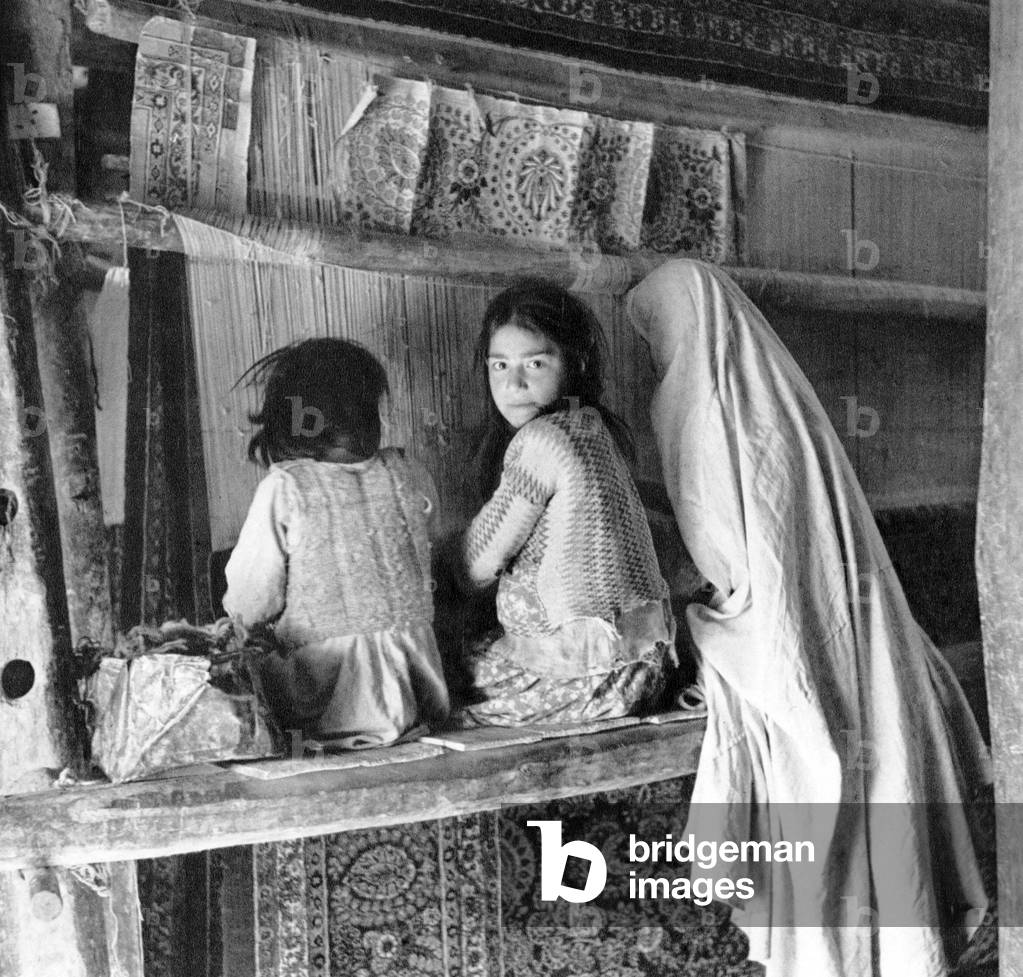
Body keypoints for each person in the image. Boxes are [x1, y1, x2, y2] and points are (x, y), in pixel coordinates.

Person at [626, 259, 991, 977]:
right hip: (857, 629)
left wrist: (699, 623)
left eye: (654, 338)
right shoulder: (767, 390)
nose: (655, 356)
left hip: (797, 633)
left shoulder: (697, 407)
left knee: (824, 813)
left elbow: (747, 570)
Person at [453, 278, 677, 724]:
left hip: (576, 678)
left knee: (460, 663)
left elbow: (480, 561)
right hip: (640, 674)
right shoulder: (593, 429)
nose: (514, 383)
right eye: (499, 366)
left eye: (534, 363)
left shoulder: (543, 440)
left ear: (573, 363)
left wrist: (443, 566)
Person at [222, 338, 449, 748]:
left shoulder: (286, 487)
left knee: (247, 656)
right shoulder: (407, 472)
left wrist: (251, 629)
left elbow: (249, 599)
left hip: (325, 697)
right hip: (420, 687)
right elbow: (424, 552)